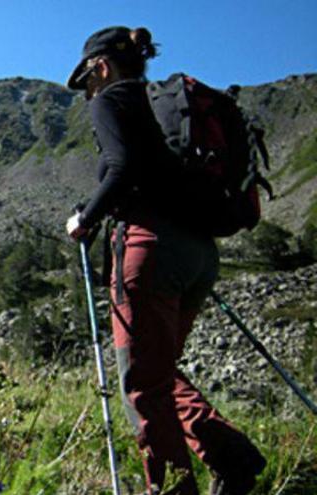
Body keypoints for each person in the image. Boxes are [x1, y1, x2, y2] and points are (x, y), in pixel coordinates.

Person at [64, 26, 266, 495]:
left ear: (101, 67)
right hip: (197, 254)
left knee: (142, 383)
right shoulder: (158, 104)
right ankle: (232, 456)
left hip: (148, 250)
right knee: (158, 369)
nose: (89, 92)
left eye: (89, 79)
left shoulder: (110, 101)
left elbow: (120, 167)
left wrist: (85, 219)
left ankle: (175, 489)